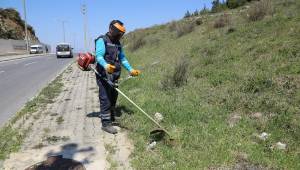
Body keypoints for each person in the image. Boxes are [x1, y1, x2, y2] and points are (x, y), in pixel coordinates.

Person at [95, 20, 141, 134]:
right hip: (104, 74)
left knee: (113, 96)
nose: (119, 35)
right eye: (117, 33)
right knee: (105, 98)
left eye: (121, 34)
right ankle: (105, 124)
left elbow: (123, 58)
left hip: (114, 75)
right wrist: (106, 66)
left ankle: (111, 117)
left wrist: (131, 70)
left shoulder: (117, 44)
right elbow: (99, 56)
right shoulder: (102, 40)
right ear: (111, 29)